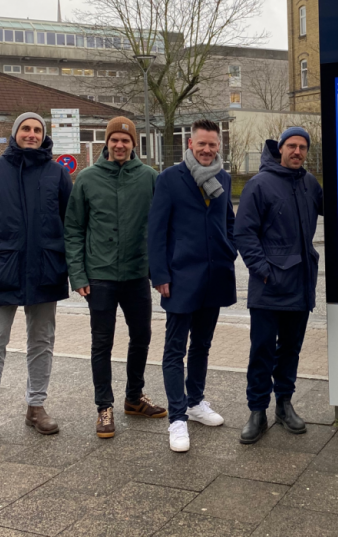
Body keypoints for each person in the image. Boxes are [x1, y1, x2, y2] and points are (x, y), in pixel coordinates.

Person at [0, 112, 72, 454]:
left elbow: (71, 223)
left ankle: (35, 407)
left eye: (37, 129)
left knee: (42, 342)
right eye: (25, 128)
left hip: (45, 270)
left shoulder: (57, 174)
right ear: (15, 133)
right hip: (3, 271)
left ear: (44, 135)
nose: (31, 134)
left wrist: (66, 262)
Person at [64, 116, 166, 438]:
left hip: (137, 274)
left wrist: (159, 271)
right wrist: (78, 274)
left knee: (142, 337)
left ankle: (134, 398)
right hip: (101, 276)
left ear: (134, 144)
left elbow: (162, 227)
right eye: (114, 140)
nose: (119, 145)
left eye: (126, 140)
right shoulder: (87, 179)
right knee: (102, 343)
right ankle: (103, 406)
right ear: (106, 143)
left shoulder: (149, 178)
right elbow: (74, 230)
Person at [147, 119, 237, 452]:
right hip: (180, 278)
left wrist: (230, 251)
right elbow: (156, 231)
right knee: (174, 349)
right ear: (190, 143)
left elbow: (229, 220)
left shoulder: (223, 178)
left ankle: (196, 402)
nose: (207, 149)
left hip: (214, 276)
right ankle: (177, 417)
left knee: (202, 344)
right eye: (202, 144)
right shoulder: (169, 179)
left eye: (213, 145)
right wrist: (160, 275)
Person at [234, 127, 323, 444]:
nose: (297, 152)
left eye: (302, 147)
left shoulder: (311, 185)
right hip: (268, 287)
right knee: (261, 351)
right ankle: (257, 411)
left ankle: (284, 404)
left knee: (290, 350)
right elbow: (244, 233)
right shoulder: (259, 184)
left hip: (300, 285)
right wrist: (263, 270)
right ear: (280, 148)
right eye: (292, 146)